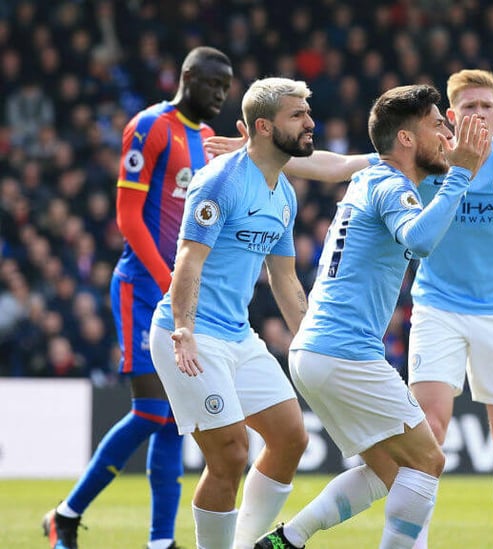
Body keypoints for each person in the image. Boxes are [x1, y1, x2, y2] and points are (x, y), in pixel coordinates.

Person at [250, 68, 493, 549]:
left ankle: (287, 538)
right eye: (461, 111)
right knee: (427, 456)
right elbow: (407, 228)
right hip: (417, 317)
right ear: (449, 120)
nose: (474, 118)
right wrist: (260, 156)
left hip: (488, 313)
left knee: (416, 461)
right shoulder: (418, 172)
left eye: (485, 106)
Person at [253, 84, 489, 549]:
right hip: (344, 352)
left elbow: (336, 165)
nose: (446, 132)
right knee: (428, 462)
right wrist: (461, 171)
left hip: (318, 352)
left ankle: (287, 540)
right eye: (437, 123)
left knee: (390, 473)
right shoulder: (387, 185)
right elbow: (419, 241)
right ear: (405, 138)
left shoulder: (369, 176)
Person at [43, 46, 233, 549]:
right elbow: (128, 216)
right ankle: (65, 514)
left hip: (179, 297)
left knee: (173, 421)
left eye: (226, 88)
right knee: (152, 412)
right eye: (213, 84)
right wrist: (169, 276)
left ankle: (159, 541)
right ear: (187, 77)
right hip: (142, 289)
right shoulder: (149, 127)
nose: (220, 95)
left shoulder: (209, 140)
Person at [148, 77, 316, 549]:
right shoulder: (221, 180)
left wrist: (308, 341)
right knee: (231, 455)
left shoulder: (283, 193)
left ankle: (243, 544)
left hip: (238, 337)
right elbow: (188, 260)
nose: (310, 122)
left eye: (308, 113)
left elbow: (284, 279)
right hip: (192, 334)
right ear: (263, 127)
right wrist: (183, 329)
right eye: (297, 115)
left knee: (290, 438)